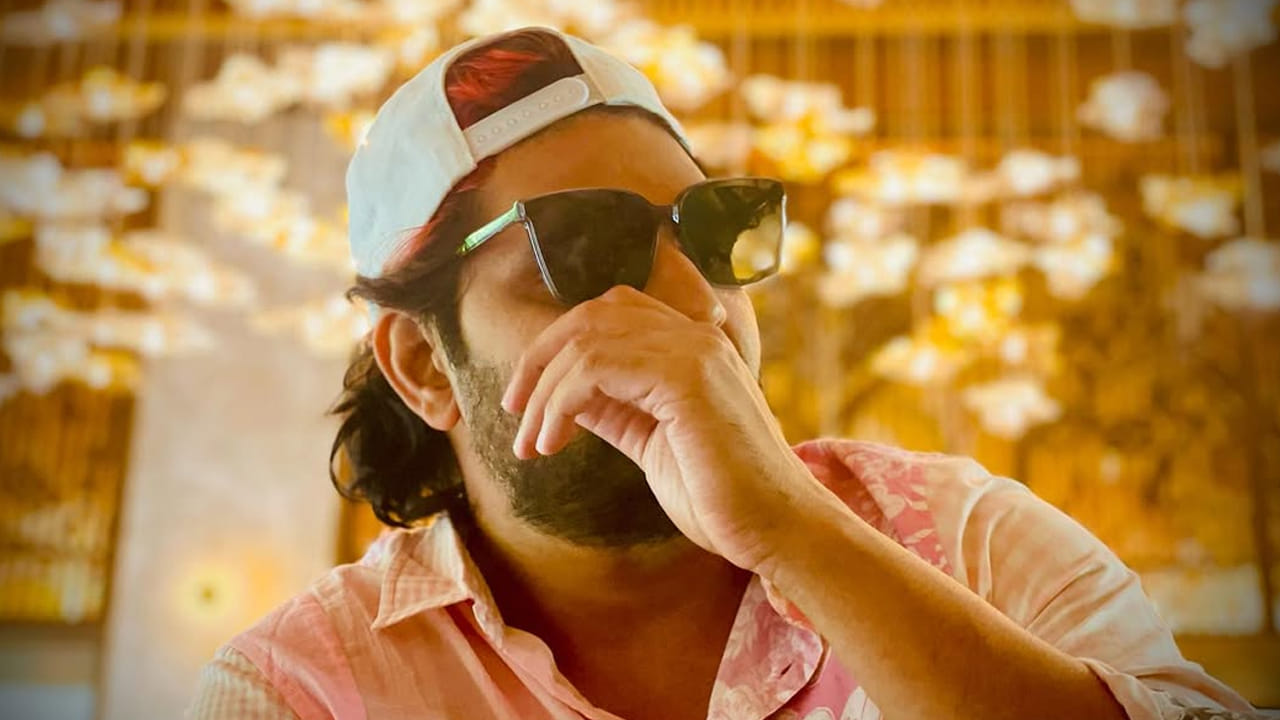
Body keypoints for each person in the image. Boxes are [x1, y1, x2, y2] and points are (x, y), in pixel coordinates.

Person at [187, 27, 1258, 720]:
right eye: (583, 248)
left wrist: (796, 534)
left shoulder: (962, 539)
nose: (699, 305)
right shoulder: (302, 689)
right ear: (423, 363)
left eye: (711, 230)